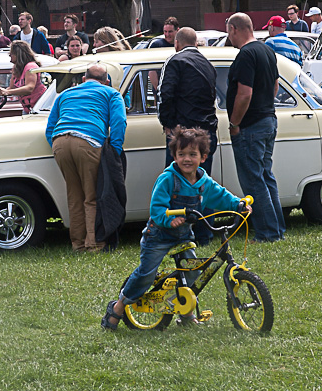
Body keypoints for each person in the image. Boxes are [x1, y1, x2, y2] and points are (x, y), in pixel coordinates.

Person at [101, 127, 251, 330]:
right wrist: (167, 219)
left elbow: (220, 195)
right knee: (146, 274)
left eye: (192, 154)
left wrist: (238, 204)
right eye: (181, 154)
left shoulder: (202, 182)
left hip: (183, 235)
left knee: (192, 272)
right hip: (158, 235)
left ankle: (186, 312)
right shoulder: (168, 179)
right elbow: (156, 207)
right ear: (174, 156)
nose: (186, 159)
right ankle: (118, 307)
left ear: (203, 157)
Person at [45, 63, 127, 252]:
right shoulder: (111, 93)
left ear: (83, 79)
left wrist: (57, 146)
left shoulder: (64, 94)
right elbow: (119, 122)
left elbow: (50, 127)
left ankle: (77, 244)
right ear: (106, 81)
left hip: (60, 141)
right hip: (89, 141)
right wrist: (114, 151)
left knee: (74, 195)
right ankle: (94, 244)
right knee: (92, 195)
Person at [226, 13, 285, 243]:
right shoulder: (266, 50)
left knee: (253, 180)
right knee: (266, 176)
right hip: (269, 118)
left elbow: (244, 93)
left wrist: (235, 123)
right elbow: (275, 85)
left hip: (250, 125)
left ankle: (267, 233)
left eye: (229, 32)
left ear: (234, 29)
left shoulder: (246, 55)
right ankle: (277, 228)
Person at [158, 27, 219, 245]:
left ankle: (179, 233)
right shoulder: (207, 64)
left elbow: (165, 94)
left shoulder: (175, 61)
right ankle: (204, 233)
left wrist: (167, 124)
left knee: (176, 184)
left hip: (183, 132)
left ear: (177, 42)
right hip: (207, 131)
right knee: (203, 182)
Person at [0, 40, 47, 113]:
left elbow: (29, 88)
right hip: (28, 108)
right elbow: (12, 88)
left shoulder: (30, 66)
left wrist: (8, 92)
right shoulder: (16, 68)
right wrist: (0, 91)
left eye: (11, 53)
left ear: (18, 54)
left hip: (40, 107)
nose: (9, 55)